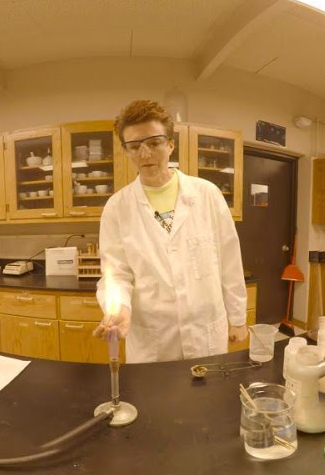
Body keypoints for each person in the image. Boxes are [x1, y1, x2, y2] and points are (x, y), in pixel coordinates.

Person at [94, 100, 248, 362]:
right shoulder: (117, 208)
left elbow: (229, 260)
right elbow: (116, 273)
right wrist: (119, 308)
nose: (145, 154)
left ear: (170, 145)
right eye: (135, 146)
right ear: (126, 151)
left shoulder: (207, 194)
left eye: (154, 143)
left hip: (205, 331)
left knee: (207, 388)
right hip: (154, 338)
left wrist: (238, 318)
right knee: (154, 390)